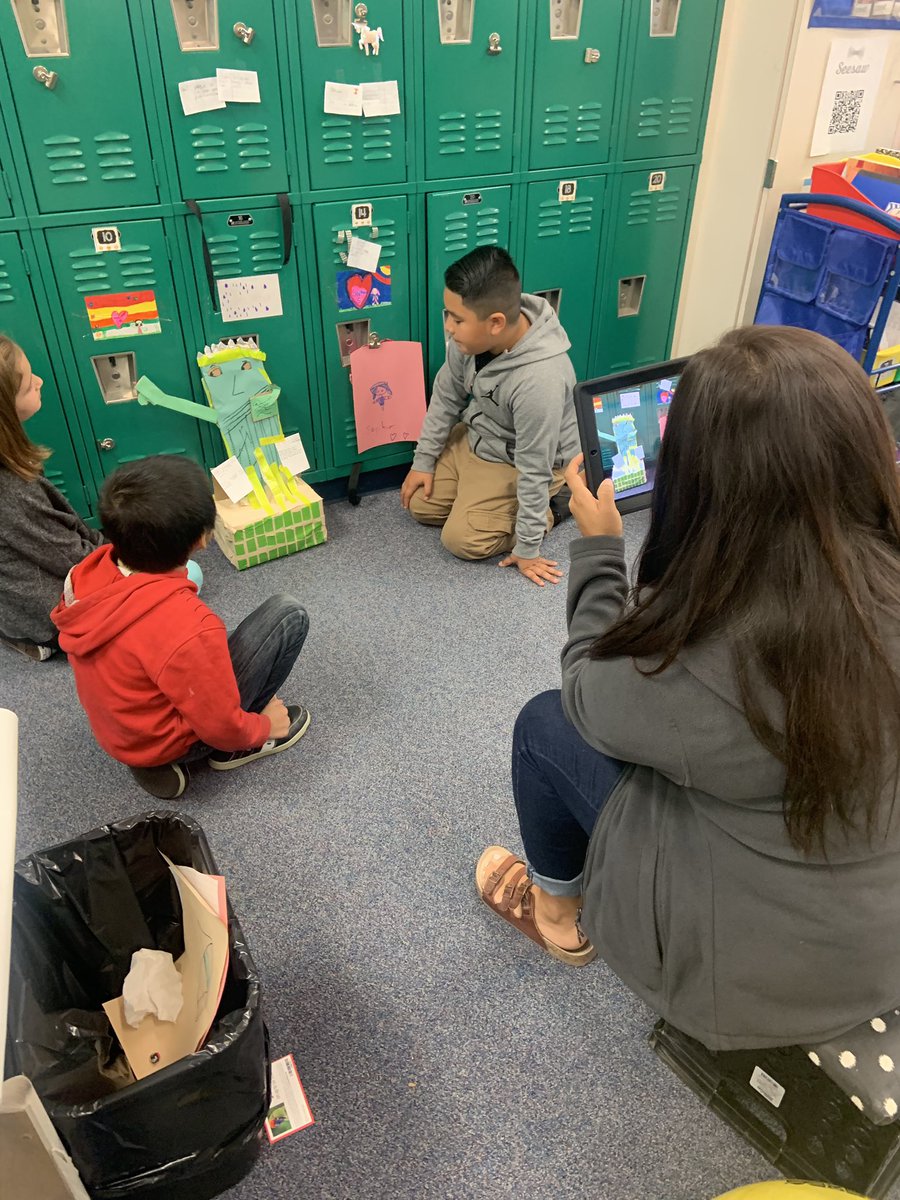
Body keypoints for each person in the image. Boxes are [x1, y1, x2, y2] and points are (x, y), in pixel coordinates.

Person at [476, 325, 900, 1050]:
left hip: (749, 982)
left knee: (545, 726)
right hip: (876, 933)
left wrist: (601, 551)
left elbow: (586, 691)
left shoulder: (705, 662)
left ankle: (557, 918)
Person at [52, 455, 310, 801]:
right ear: (202, 541)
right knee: (287, 614)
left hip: (122, 732)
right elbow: (219, 723)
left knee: (185, 651)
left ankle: (148, 757)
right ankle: (225, 753)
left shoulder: (85, 573)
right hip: (177, 740)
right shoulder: (188, 626)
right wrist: (263, 727)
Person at [400, 246, 579, 588]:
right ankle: (483, 502)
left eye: (458, 319)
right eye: (448, 315)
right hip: (477, 438)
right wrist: (422, 462)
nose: (449, 328)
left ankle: (554, 506)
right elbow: (446, 396)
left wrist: (527, 548)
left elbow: (533, 465)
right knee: (421, 506)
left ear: (495, 323)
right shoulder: (469, 340)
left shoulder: (539, 380)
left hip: (521, 461)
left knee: (462, 541)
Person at [0, 334, 103, 660]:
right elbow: (71, 558)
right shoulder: (11, 491)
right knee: (169, 587)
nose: (41, 382)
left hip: (29, 579)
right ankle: (31, 635)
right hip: (43, 608)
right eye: (30, 384)